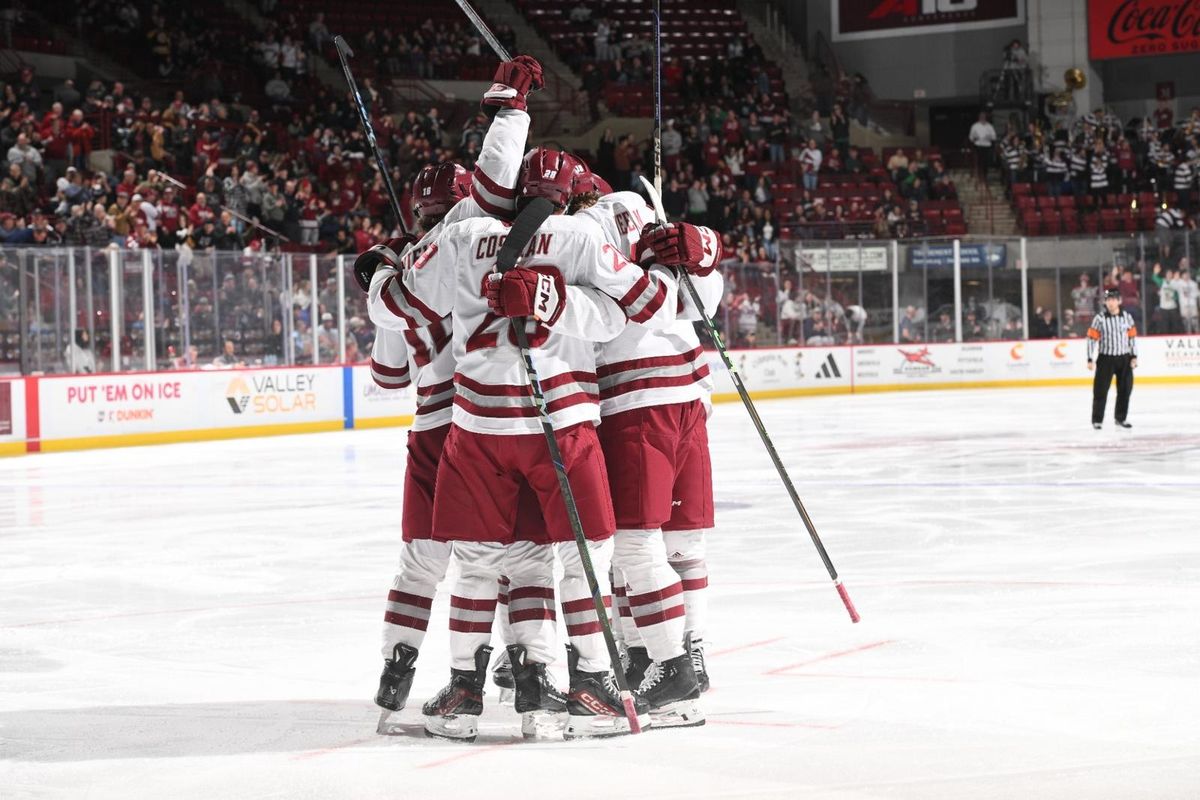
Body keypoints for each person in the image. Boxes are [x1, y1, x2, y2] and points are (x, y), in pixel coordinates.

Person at [375, 147, 684, 741]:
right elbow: (642, 309)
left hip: (471, 427)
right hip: (559, 421)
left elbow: (390, 327)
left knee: (470, 566)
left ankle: (462, 687)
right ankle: (580, 682)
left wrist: (389, 268)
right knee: (574, 559)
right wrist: (570, 301)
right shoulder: (579, 237)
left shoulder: (461, 238)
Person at [359, 56, 541, 736]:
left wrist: (385, 285)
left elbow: (386, 381)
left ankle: (394, 674)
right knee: (495, 559)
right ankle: (507, 672)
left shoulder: (405, 277)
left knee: (422, 563)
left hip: (432, 428)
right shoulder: (480, 244)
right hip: (482, 422)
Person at [571, 166, 717, 725]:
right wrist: (706, 256)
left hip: (633, 397)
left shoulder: (576, 232)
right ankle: (688, 652)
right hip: (690, 392)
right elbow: (698, 297)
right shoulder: (641, 208)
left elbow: (601, 323)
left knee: (632, 543)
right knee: (685, 542)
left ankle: (661, 660)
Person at [1087, 289, 1137, 429]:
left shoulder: (1127, 317)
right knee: (1100, 390)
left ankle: (1120, 418)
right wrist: (1089, 358)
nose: (1111, 302)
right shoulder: (1099, 319)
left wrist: (1134, 356)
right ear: (1105, 302)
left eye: (1113, 299)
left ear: (1119, 301)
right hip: (1106, 359)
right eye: (1108, 299)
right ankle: (1097, 420)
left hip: (1124, 359)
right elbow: (1091, 339)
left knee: (1125, 390)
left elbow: (1132, 338)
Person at [969, 112, 997, 182]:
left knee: (986, 162)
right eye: (981, 117)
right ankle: (979, 176)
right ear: (979, 118)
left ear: (985, 118)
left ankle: (985, 176)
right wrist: (974, 138)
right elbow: (971, 137)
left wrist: (989, 137)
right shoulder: (975, 126)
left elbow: (994, 137)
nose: (982, 118)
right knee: (979, 162)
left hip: (987, 146)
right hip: (978, 145)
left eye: (984, 117)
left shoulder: (989, 126)